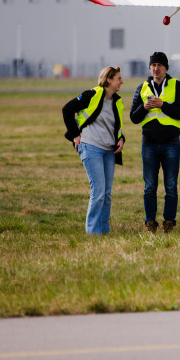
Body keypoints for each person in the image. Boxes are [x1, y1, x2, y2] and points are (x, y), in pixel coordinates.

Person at [62, 66, 126, 235]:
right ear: (109, 80)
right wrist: (75, 136)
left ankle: (104, 231)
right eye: (119, 78)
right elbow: (67, 109)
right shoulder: (92, 94)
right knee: (98, 192)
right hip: (91, 147)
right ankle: (92, 233)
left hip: (109, 151)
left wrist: (121, 139)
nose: (121, 81)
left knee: (107, 193)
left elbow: (115, 127)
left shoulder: (117, 101)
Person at [130, 52, 180, 233]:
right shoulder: (141, 88)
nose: (156, 68)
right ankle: (150, 222)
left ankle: (169, 221)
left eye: (160, 65)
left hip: (171, 142)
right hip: (149, 143)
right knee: (149, 187)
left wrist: (163, 105)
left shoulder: (177, 85)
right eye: (153, 65)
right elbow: (133, 117)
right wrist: (144, 107)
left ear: (166, 68)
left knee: (171, 185)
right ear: (150, 68)